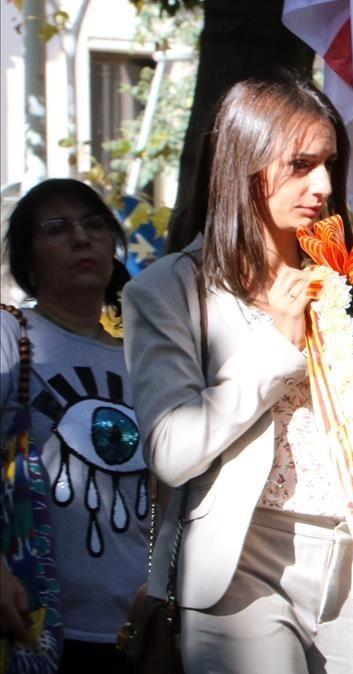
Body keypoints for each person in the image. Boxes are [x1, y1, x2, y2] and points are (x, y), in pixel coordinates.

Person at [122, 75, 353, 673]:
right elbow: (171, 451)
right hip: (241, 562)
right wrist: (278, 344)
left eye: (329, 164)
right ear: (243, 162)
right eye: (300, 164)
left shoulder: (352, 278)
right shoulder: (168, 291)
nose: (324, 185)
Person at [1, 178, 147, 672]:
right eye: (56, 228)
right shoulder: (9, 335)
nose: (81, 238)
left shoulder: (148, 360)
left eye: (94, 224)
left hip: (142, 631)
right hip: (36, 626)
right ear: (27, 261)